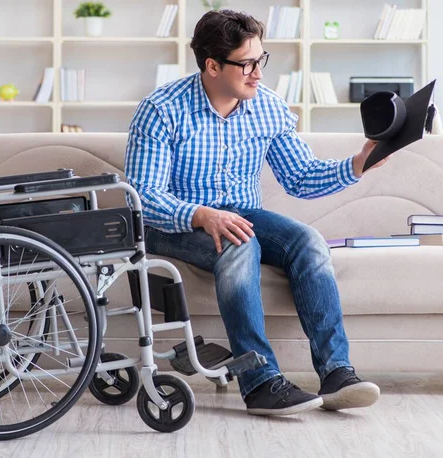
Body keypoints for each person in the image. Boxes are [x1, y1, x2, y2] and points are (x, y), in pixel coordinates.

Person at [124, 9, 386, 416]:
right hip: (171, 221)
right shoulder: (161, 110)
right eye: (246, 63)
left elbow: (300, 176)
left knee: (308, 242)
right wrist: (202, 215)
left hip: (241, 214)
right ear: (212, 66)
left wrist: (357, 164)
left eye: (260, 60)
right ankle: (261, 382)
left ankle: (337, 373)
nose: (257, 74)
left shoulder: (267, 107)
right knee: (239, 243)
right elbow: (143, 196)